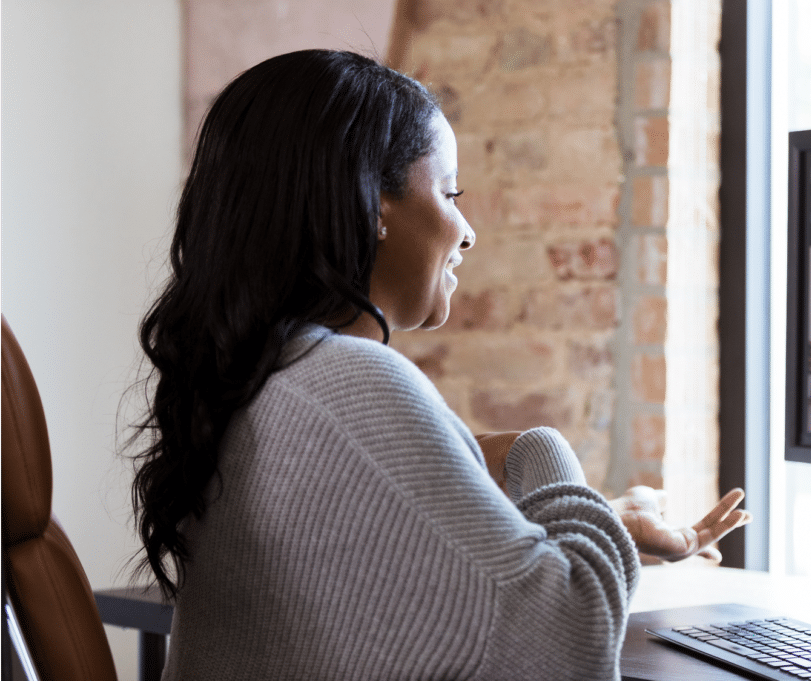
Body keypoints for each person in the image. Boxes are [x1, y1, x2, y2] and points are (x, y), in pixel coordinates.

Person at [128, 50, 750, 681]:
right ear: (373, 202)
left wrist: (570, 503)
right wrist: (545, 453)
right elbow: (566, 645)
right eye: (450, 192)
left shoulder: (257, 384)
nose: (468, 232)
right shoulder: (346, 379)